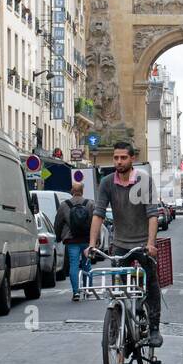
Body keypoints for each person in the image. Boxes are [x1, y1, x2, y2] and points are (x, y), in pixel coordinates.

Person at [88, 142, 164, 349]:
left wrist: (150, 243)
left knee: (151, 283)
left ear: (132, 159)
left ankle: (155, 327)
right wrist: (92, 244)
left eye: (123, 158)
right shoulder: (106, 183)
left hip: (142, 244)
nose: (119, 162)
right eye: (116, 158)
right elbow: (98, 214)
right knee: (118, 288)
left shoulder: (143, 181)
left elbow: (152, 214)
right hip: (120, 244)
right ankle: (116, 324)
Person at [54, 181, 95, 301]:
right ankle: (88, 289)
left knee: (74, 265)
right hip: (86, 239)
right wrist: (94, 239)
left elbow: (58, 223)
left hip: (71, 240)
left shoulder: (64, 205)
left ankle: (76, 292)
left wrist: (58, 237)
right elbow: (95, 223)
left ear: (72, 191)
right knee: (87, 264)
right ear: (82, 191)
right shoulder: (90, 204)